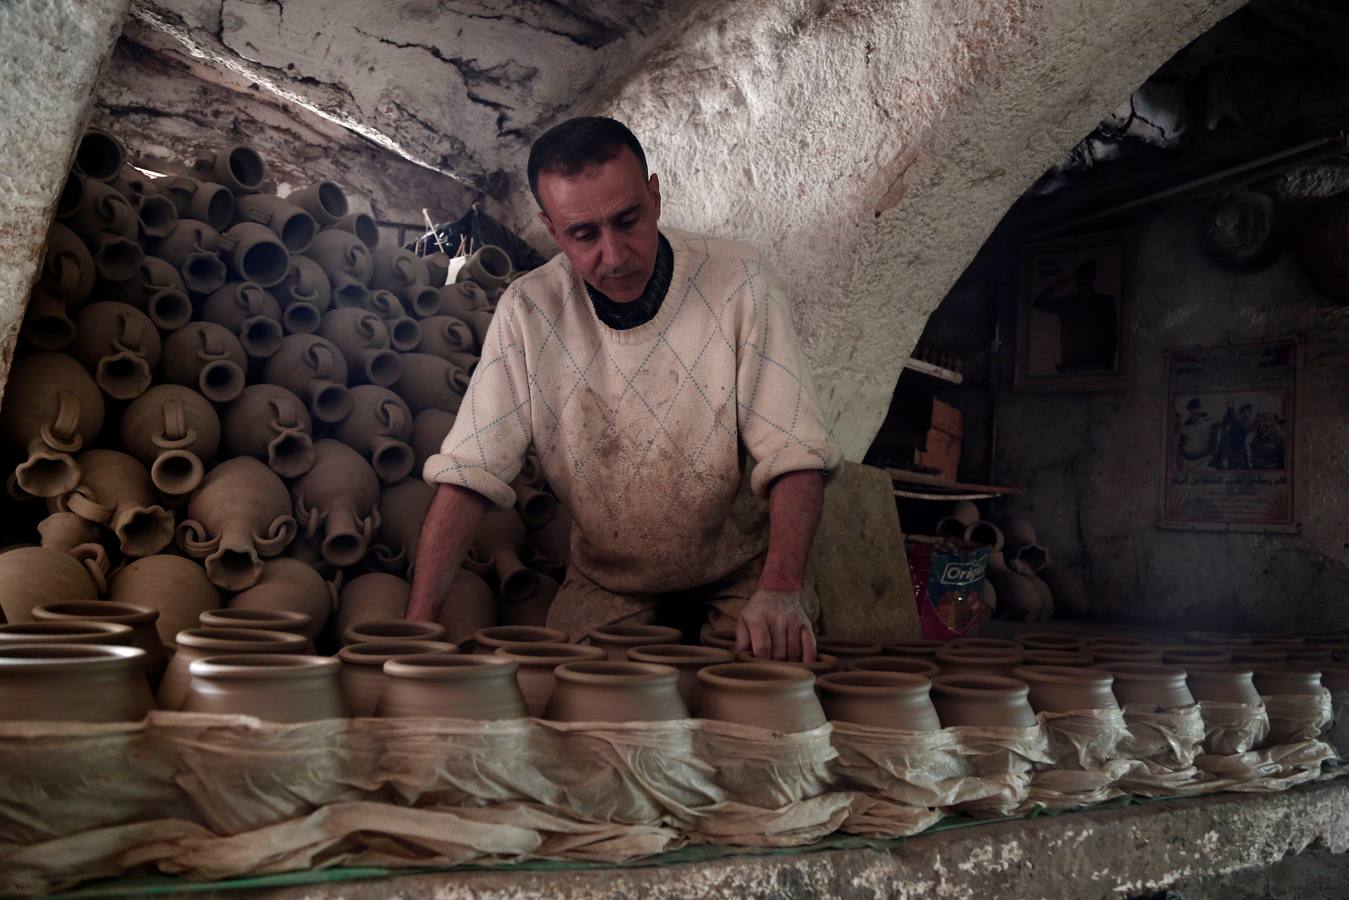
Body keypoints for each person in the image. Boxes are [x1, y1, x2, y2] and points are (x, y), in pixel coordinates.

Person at [406, 117, 842, 662]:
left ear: (655, 197)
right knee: (573, 703)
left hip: (743, 567)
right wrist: (417, 627)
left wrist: (781, 589)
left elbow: (795, 452)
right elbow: (470, 472)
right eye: (583, 234)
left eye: (627, 220)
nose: (613, 255)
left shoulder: (739, 281)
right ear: (550, 228)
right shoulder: (529, 309)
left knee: (765, 698)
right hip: (609, 578)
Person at [1032, 259, 1119, 373]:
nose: (1082, 282)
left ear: (1092, 279)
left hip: (1096, 362)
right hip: (1072, 362)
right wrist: (1053, 287)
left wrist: (1109, 362)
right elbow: (1039, 304)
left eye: (1086, 278)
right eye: (1080, 279)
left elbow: (1112, 333)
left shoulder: (1104, 302)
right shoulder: (1068, 302)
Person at [1175, 398, 1218, 471]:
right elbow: (1177, 444)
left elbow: (1219, 434)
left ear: (1200, 409)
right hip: (1186, 462)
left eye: (1197, 410)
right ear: (1189, 411)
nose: (1194, 413)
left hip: (1204, 461)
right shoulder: (1184, 426)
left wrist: (1213, 455)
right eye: (1192, 411)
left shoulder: (1209, 422)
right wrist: (1179, 457)